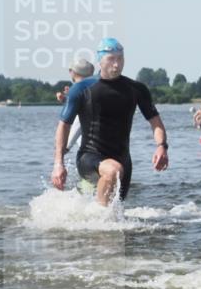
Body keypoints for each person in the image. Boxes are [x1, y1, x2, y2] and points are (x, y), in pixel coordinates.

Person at [50, 38, 168, 205]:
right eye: (111, 59)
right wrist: (58, 163)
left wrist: (162, 146)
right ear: (100, 60)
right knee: (113, 172)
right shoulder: (82, 89)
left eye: (120, 58)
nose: (116, 64)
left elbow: (155, 122)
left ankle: (93, 217)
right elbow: (64, 126)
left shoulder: (136, 89)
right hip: (89, 157)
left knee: (116, 209)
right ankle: (99, 218)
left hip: (124, 160)